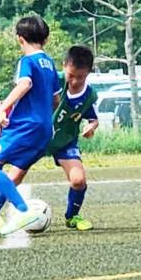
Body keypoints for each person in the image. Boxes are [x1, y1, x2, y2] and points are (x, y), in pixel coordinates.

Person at [0, 15, 60, 240]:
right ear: (46, 39)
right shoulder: (50, 64)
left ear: (20, 39)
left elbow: (25, 84)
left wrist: (3, 109)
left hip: (25, 126)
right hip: (44, 129)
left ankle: (22, 210)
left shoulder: (27, 62)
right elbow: (56, 100)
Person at [47, 45, 98, 231]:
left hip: (65, 142)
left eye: (81, 77)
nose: (75, 81)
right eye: (71, 75)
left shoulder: (89, 95)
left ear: (88, 73)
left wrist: (91, 127)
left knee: (78, 180)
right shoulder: (52, 82)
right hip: (38, 138)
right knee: (13, 176)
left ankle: (72, 216)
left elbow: (93, 118)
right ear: (64, 67)